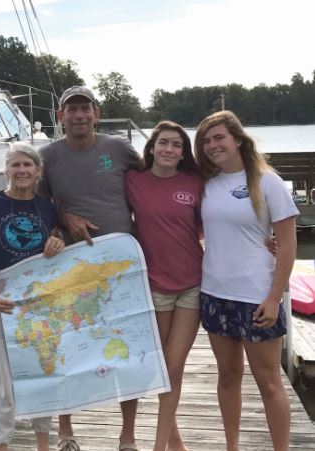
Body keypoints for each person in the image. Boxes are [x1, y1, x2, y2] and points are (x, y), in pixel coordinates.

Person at [37, 85, 146, 451]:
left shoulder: (119, 149)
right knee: (69, 347)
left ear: (97, 114)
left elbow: (154, 180)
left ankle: (127, 434)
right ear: (60, 117)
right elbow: (35, 208)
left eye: (86, 108)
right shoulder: (46, 156)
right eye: (72, 110)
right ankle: (66, 429)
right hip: (72, 266)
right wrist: (63, 216)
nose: (79, 115)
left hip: (120, 265)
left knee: (127, 349)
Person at [195, 111, 298, 451]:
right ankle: (231, 446)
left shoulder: (267, 181)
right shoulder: (206, 184)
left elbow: (287, 246)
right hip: (213, 293)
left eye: (219, 138)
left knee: (268, 381)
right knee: (227, 378)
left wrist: (273, 298)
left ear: (237, 139)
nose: (212, 146)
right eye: (207, 141)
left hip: (256, 297)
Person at [0, 143, 66, 451]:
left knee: (43, 376)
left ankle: (43, 445)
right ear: (6, 170)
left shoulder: (47, 207)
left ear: (37, 171)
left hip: (38, 306)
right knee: (3, 386)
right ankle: (1, 445)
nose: (21, 170)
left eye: (28, 165)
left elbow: (56, 241)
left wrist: (58, 240)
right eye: (15, 165)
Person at [125, 121, 203, 451]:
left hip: (193, 284)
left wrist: (265, 241)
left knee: (174, 364)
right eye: (164, 143)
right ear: (153, 147)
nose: (170, 150)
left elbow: (216, 222)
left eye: (177, 145)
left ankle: (160, 446)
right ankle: (175, 443)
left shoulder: (196, 183)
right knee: (159, 366)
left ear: (183, 153)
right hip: (154, 285)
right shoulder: (133, 181)